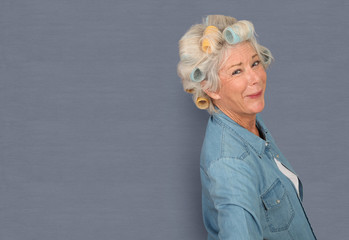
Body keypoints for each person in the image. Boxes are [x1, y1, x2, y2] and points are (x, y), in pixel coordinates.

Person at [177, 15, 317, 240]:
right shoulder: (231, 165)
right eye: (236, 71)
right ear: (211, 88)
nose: (255, 78)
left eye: (254, 63)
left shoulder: (248, 126)